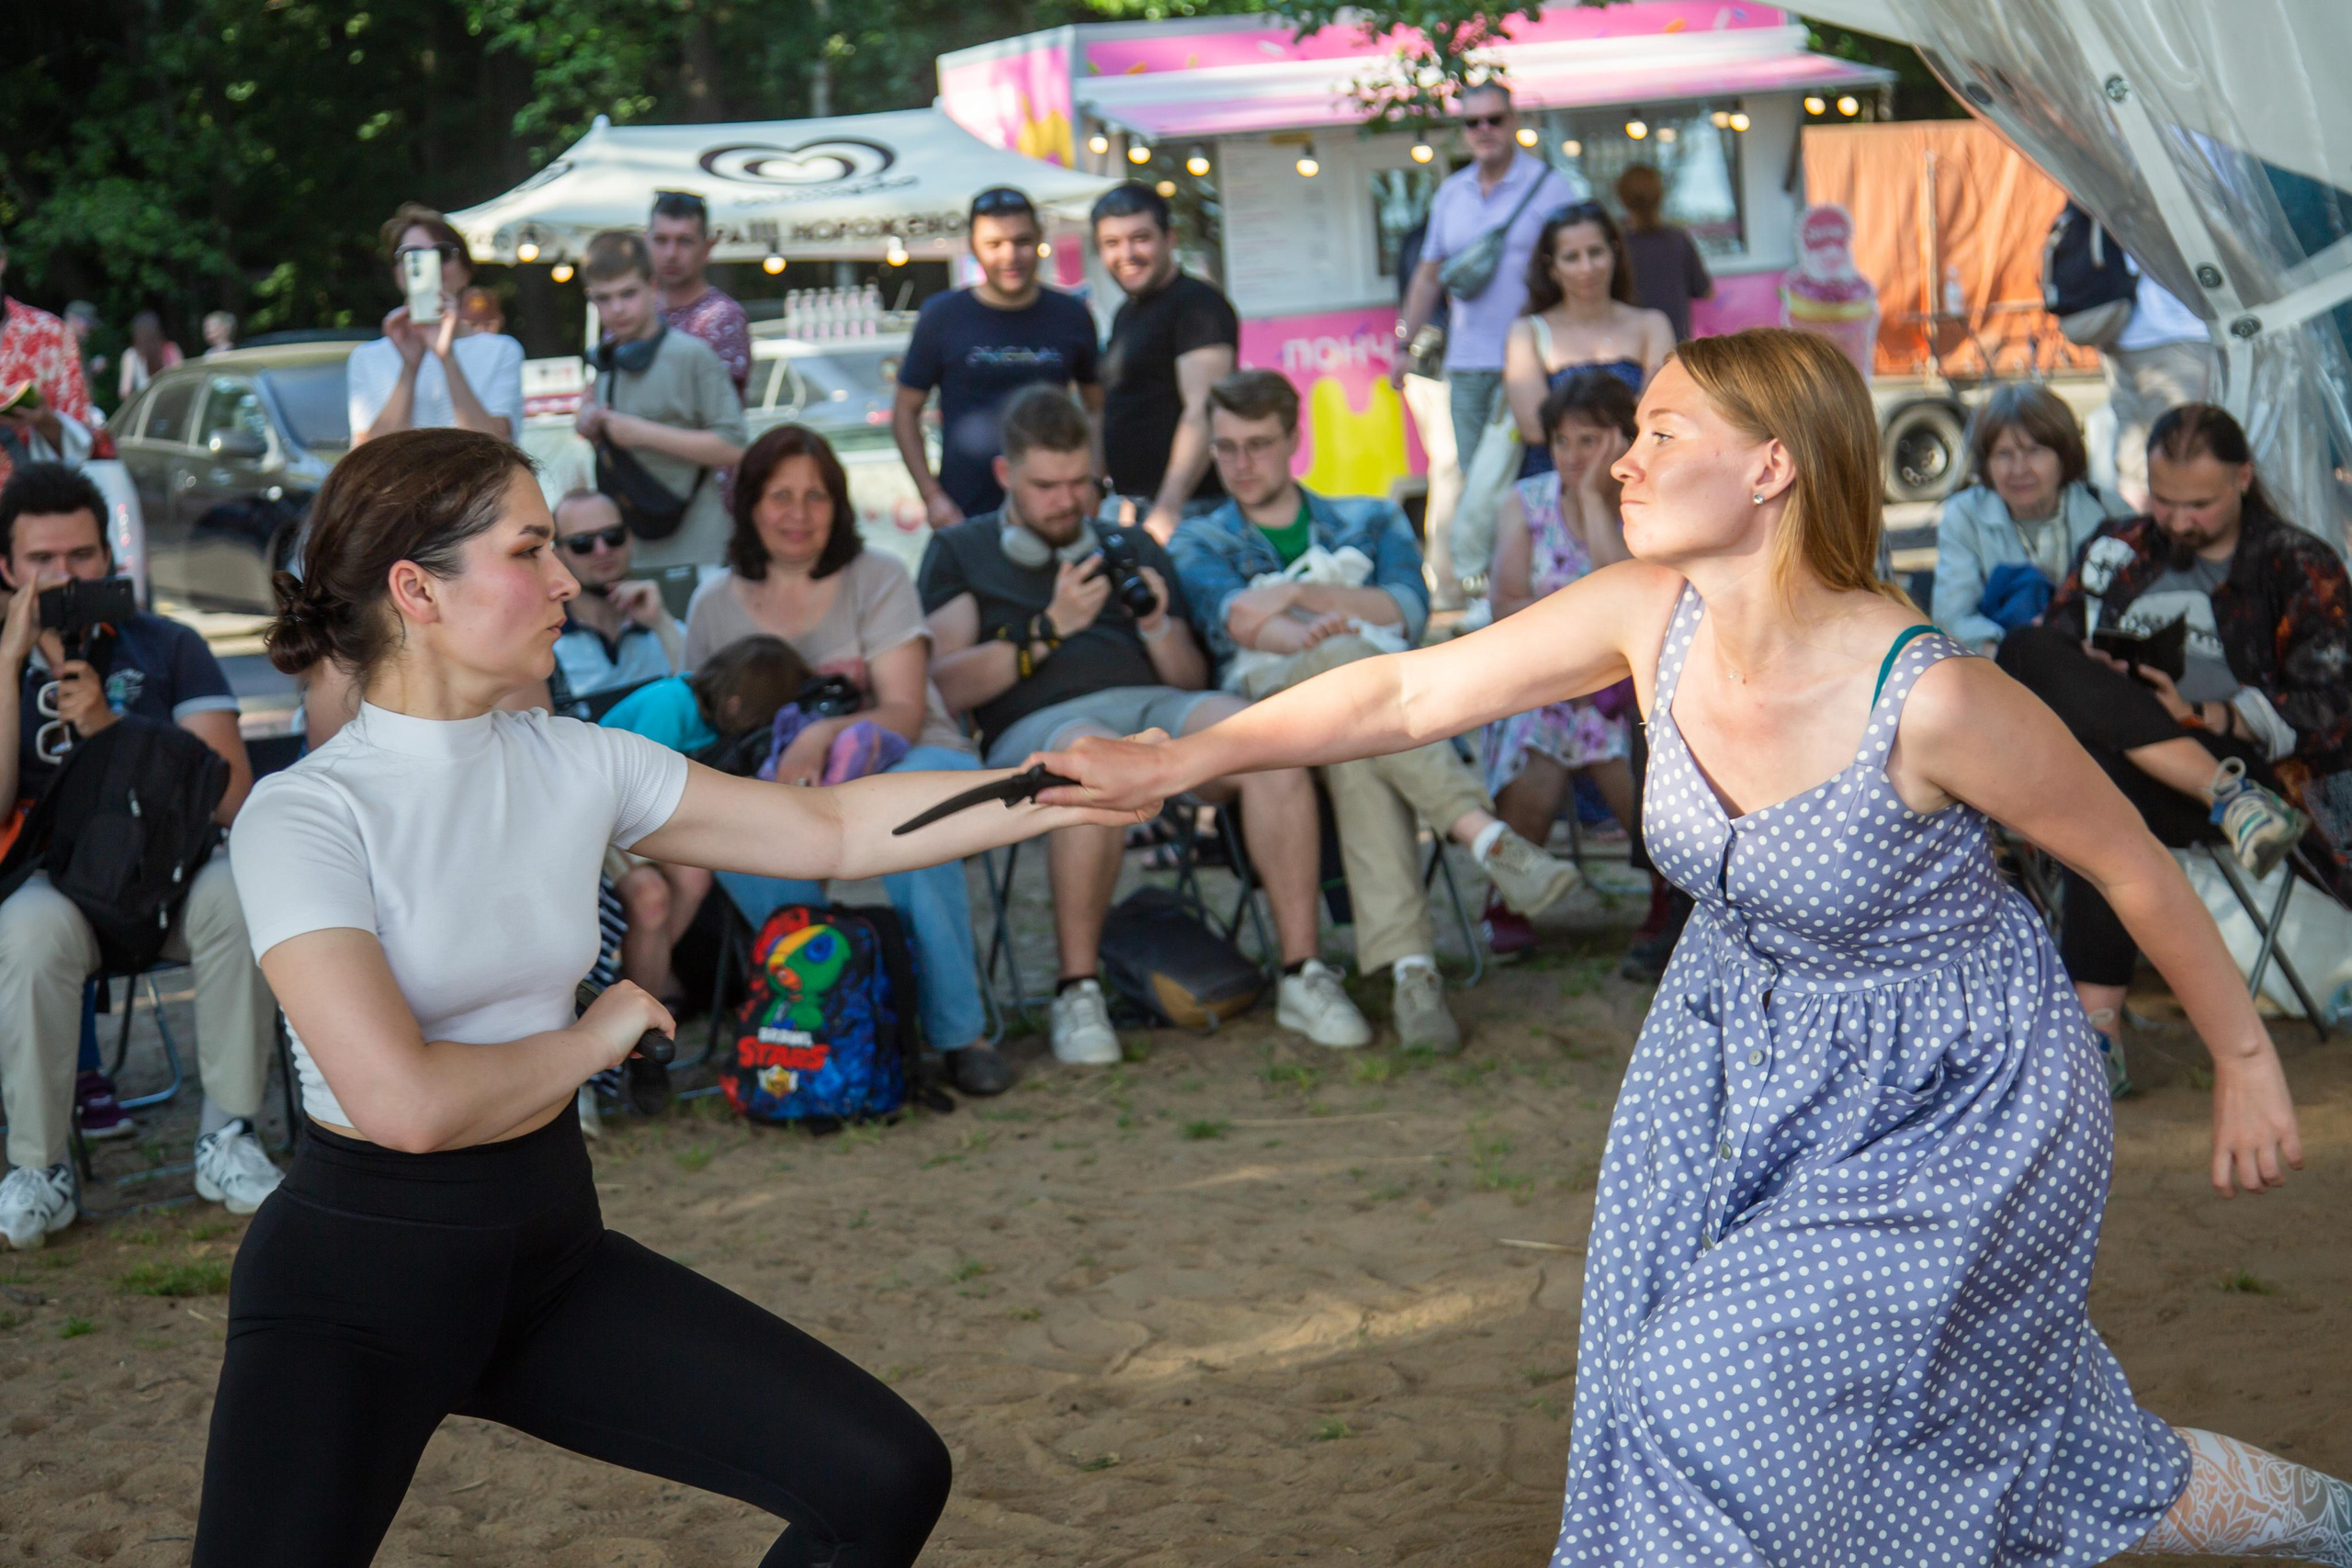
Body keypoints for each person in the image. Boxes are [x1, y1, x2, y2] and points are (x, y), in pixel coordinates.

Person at [1041, 326, 2348, 1568]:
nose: (1624, 458)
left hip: (1953, 1088)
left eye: (1663, 430)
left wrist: (2244, 1054)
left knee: (1702, 1379)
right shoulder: (1644, 610)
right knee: (1921, 1423)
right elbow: (1406, 689)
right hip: (1725, 1060)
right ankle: (2326, 1516)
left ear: (1771, 462)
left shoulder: (1935, 696)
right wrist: (1184, 752)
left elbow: (2126, 854)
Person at [195, 424, 1147, 1563]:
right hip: (355, 1286)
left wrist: (1061, 783)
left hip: (549, 1257)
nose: (566, 579)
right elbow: (405, 1104)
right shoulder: (306, 815)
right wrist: (595, 1038)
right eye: (531, 549)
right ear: (417, 589)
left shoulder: (575, 760)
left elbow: (831, 823)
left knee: (882, 1478)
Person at [922, 385, 1371, 1061]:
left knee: (1264, 737)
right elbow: (945, 684)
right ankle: (1078, 990)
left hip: (1156, 707)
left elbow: (1188, 680)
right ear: (1004, 476)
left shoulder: (1126, 542)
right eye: (1046, 485)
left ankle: (1303, 972)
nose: (1068, 501)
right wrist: (1048, 630)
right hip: (1041, 727)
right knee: (1084, 756)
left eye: (1081, 483)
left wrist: (1158, 624)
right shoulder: (961, 549)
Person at [1170, 368, 1580, 1052]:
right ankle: (1483, 835)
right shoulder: (1200, 537)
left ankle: (1413, 974)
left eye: (1258, 444)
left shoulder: (1369, 514)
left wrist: (1293, 601)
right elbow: (1236, 619)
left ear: (1293, 439)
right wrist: (1317, 628)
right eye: (1227, 448)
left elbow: (1410, 610)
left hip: (1373, 714)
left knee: (1358, 728)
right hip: (1269, 709)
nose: (1241, 464)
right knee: (1351, 670)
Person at [1997, 403, 2346, 1092]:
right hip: (2165, 776)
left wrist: (2207, 710)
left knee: (2098, 787)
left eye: (2200, 504)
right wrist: (2110, 682)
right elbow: (2056, 650)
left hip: (2257, 765)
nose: (2178, 520)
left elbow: (2332, 703)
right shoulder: (2119, 545)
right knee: (2024, 646)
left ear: (2244, 478)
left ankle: (2097, 1032)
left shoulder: (2296, 562)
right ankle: (2226, 796)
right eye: (2163, 498)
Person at [0, 463, 279, 1249]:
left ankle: (228, 1136)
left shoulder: (168, 648)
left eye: (81, 556)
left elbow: (233, 800)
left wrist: (114, 734)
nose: (64, 575)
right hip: (59, 895)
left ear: (109, 556)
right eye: (41, 561)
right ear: (7, 568)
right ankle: (40, 1169)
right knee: (25, 929)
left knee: (241, 889)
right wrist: (6, 665)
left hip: (173, 884)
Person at [683, 423, 1007, 1095]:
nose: (798, 514)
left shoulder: (878, 575)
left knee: (917, 824)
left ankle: (959, 1033)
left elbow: (905, 709)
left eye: (816, 496)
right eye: (781, 496)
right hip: (782, 786)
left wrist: (821, 736)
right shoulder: (713, 603)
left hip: (914, 753)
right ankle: (829, 1022)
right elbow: (704, 733)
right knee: (734, 839)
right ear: (748, 503)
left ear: (838, 505)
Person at [1477, 371, 1645, 962]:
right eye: (1562, 442)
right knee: (1538, 748)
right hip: (1544, 679)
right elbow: (1505, 603)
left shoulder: (1643, 504)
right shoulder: (1525, 503)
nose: (1573, 457)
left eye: (1589, 440)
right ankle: (1509, 895)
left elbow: (1628, 594)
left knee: (1633, 758)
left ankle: (1669, 900)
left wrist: (1597, 501)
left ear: (1623, 440)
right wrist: (1583, 639)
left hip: (1625, 687)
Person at [1388, 84, 1580, 486]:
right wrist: (1405, 345)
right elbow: (1427, 277)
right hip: (1467, 365)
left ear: (1513, 122)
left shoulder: (1550, 188)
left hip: (1535, 361)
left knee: (1540, 481)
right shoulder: (1451, 193)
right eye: (1472, 122)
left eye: (1494, 119)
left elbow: (1575, 270)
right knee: (1478, 489)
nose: (1484, 129)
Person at [895, 187, 1102, 530]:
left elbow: (1097, 408)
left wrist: (1094, 482)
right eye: (994, 244)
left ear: (1039, 239)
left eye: (1021, 241)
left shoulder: (1071, 315)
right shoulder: (942, 316)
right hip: (967, 514)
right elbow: (904, 411)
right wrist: (932, 496)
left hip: (1058, 512)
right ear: (973, 247)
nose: (1010, 256)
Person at [573, 229, 746, 573]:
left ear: (653, 287)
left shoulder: (692, 355)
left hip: (697, 549)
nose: (618, 308)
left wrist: (642, 433)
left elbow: (734, 446)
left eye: (628, 293)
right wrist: (589, 424)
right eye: (604, 298)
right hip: (630, 551)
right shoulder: (607, 357)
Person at [1090, 182, 1238, 545]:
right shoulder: (1127, 312)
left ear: (1169, 238)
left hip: (1190, 512)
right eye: (1112, 243)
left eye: (1140, 238)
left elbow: (1202, 411)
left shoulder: (1198, 306)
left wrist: (1168, 508)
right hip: (1138, 508)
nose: (1126, 253)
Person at [1932, 382, 2131, 652]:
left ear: (2064, 456)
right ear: (1986, 464)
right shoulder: (1964, 515)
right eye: (2003, 454)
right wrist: (2016, 652)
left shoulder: (2109, 510)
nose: (2019, 469)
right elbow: (1951, 617)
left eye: (2034, 451)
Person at [1500, 200, 1674, 479]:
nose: (1586, 267)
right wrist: (1624, 414)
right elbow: (1533, 428)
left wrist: (1569, 423)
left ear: (1614, 253)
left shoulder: (1652, 324)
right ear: (1552, 267)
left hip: (1636, 477)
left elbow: (1661, 414)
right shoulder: (1527, 332)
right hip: (1555, 487)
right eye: (1571, 257)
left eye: (1595, 252)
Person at [347, 202, 525, 446]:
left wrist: (446, 357)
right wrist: (410, 367)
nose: (431, 266)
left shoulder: (501, 350)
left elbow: (496, 448)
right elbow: (368, 456)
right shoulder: (367, 357)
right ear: (398, 273)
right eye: (413, 255)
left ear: (466, 271)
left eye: (442, 254)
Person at [547, 490, 683, 709]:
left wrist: (661, 623)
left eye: (613, 536)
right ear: (558, 554)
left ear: (629, 539)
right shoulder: (545, 642)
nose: (602, 550)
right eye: (582, 543)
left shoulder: (661, 624)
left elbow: (703, 696)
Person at [2106, 260, 2217, 513]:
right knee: (2183, 454)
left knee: (2134, 461)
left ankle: (2134, 540)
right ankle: (2168, 542)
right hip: (2173, 333)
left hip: (2119, 330)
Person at [0, 236, 97, 484]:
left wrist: (45, 421)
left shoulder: (50, 334)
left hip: (28, 511)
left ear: (2, 261)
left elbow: (81, 446)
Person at [649, 190, 752, 400]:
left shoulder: (724, 318)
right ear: (646, 242)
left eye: (684, 241)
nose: (671, 253)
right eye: (661, 240)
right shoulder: (632, 308)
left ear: (707, 248)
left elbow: (717, 412)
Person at [1614, 164, 1713, 344]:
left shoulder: (1616, 246)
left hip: (1631, 345)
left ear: (1622, 198)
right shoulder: (1678, 240)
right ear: (1660, 195)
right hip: (1676, 345)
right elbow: (1705, 291)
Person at [118, 310, 183, 403]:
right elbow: (181, 380)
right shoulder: (171, 349)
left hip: (146, 409)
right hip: (172, 405)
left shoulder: (131, 355)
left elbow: (125, 392)